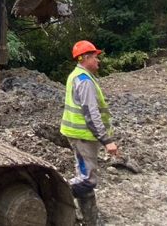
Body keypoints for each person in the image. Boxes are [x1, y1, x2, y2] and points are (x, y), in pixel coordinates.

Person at [60, 40, 117, 225]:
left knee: (85, 176)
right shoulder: (84, 80)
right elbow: (91, 114)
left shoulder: (80, 76)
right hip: (82, 136)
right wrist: (107, 140)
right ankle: (56, 193)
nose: (98, 61)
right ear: (85, 58)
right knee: (87, 180)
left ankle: (88, 218)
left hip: (82, 135)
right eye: (95, 57)